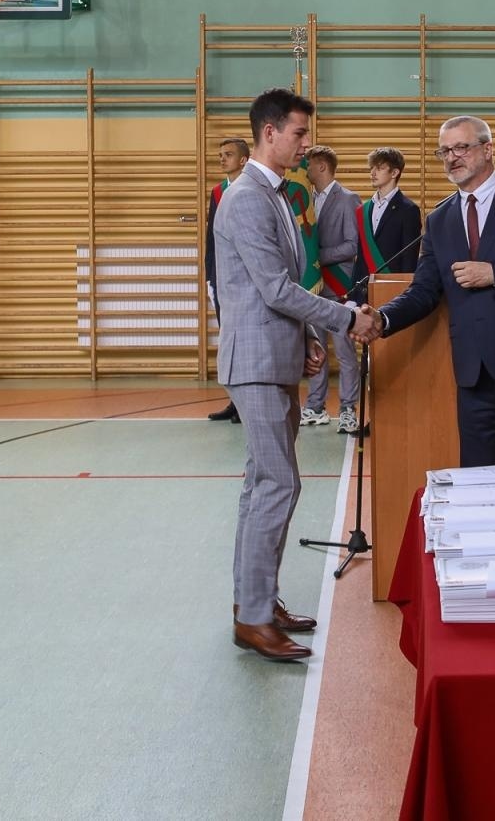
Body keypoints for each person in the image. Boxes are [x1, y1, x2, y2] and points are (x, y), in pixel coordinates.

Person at [215, 88, 376, 662]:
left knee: (262, 484)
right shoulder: (247, 199)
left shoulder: (278, 195)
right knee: (277, 484)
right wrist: (344, 319)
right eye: (300, 135)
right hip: (254, 363)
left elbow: (285, 282)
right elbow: (275, 288)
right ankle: (254, 617)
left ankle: (256, 602)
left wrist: (308, 338)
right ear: (269, 133)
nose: (306, 145)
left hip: (273, 355)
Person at [362, 115, 495, 485]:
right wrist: (383, 319)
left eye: (461, 147)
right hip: (474, 374)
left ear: (487, 149)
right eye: (444, 151)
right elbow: (424, 290)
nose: (451, 157)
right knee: (479, 483)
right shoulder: (440, 219)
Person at [299, 146, 363, 435]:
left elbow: (352, 245)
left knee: (346, 351)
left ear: (322, 166)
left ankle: (349, 409)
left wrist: (318, 257)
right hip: (314, 286)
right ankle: (315, 406)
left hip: (338, 285)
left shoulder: (348, 199)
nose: (305, 170)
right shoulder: (306, 202)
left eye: (309, 165)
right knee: (316, 349)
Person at [205, 138, 249, 425]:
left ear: (244, 160)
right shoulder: (218, 192)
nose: (222, 159)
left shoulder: (252, 190)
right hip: (222, 280)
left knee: (247, 342)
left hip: (246, 282)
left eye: (228, 155)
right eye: (220, 155)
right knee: (229, 342)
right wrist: (210, 277)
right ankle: (235, 402)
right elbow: (211, 239)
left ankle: (247, 404)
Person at [351, 146, 421, 284]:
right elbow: (360, 257)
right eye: (372, 168)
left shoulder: (409, 210)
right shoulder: (363, 209)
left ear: (394, 172)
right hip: (364, 288)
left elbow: (409, 260)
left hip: (392, 288)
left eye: (380, 168)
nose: (372, 173)